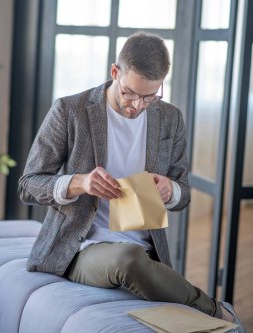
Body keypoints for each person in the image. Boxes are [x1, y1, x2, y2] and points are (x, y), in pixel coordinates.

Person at [19, 32, 244, 331]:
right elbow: (28, 184)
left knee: (135, 257)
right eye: (129, 93)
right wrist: (79, 183)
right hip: (82, 248)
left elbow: (184, 195)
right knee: (128, 258)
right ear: (115, 72)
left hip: (147, 252)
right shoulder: (69, 110)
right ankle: (216, 310)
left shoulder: (170, 119)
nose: (137, 105)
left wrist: (170, 189)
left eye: (150, 96)